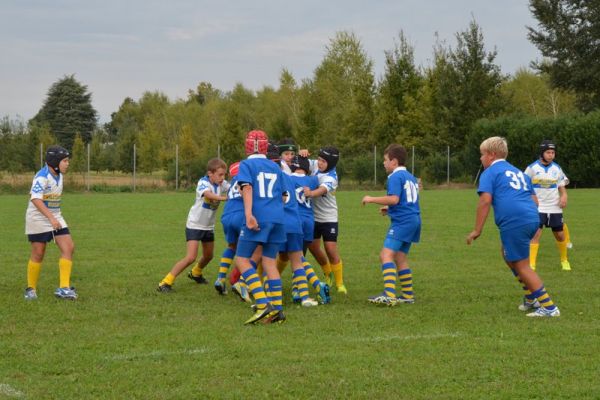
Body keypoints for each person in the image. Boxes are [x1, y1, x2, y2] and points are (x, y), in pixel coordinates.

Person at [466, 136, 560, 317]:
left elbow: (485, 201)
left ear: (491, 155)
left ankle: (549, 307)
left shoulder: (490, 173)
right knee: (507, 254)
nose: (480, 158)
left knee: (522, 264)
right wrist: (528, 218)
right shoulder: (518, 172)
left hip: (515, 221)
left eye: (482, 154)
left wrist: (477, 230)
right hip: (531, 217)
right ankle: (531, 297)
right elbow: (534, 199)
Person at [235, 130, 287, 324]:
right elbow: (283, 196)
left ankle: (263, 304)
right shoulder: (275, 167)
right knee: (269, 262)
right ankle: (278, 311)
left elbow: (247, 187)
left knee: (241, 260)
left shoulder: (246, 164)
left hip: (258, 217)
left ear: (247, 146)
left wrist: (249, 214)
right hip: (277, 218)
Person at [157, 158, 228, 292]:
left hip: (208, 226)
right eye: (220, 174)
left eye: (224, 174)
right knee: (190, 257)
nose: (222, 178)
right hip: (195, 224)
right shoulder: (203, 182)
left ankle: (195, 273)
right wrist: (224, 198)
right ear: (210, 173)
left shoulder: (221, 184)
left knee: (208, 256)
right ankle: (165, 282)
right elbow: (208, 194)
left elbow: (233, 188)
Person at [362, 144, 420, 305]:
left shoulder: (395, 177)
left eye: (385, 160)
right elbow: (405, 201)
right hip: (413, 219)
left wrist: (371, 199)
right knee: (400, 257)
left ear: (394, 161)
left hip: (403, 222)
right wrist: (389, 209)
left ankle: (389, 294)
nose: (384, 163)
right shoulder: (410, 176)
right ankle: (408, 295)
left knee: (385, 255)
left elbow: (394, 199)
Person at [24, 145, 77, 300]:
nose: (67, 164)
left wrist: (54, 217)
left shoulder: (59, 175)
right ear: (55, 161)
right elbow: (35, 198)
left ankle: (63, 288)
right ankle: (30, 289)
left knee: (68, 247)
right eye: (65, 161)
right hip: (38, 218)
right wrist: (51, 218)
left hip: (55, 216)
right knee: (38, 253)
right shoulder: (42, 176)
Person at [302, 146, 347, 294]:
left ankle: (340, 284)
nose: (319, 163)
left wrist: (310, 193)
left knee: (330, 249)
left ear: (332, 164)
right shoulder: (315, 164)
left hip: (328, 217)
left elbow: (321, 190)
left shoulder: (331, 177)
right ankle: (328, 274)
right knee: (313, 247)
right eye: (319, 159)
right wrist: (301, 154)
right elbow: (300, 164)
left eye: (323, 161)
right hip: (313, 217)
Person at [289, 155, 331, 304]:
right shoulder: (312, 180)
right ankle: (297, 289)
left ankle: (312, 286)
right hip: (308, 220)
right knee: (299, 255)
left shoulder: (287, 178)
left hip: (294, 220)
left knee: (296, 257)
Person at [524, 139, 571, 271]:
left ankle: (564, 260)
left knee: (560, 235)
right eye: (548, 152)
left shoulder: (557, 169)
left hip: (554, 207)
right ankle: (531, 264)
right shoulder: (532, 168)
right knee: (536, 234)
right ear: (542, 153)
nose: (551, 155)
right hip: (537, 207)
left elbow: (561, 185)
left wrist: (564, 196)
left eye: (553, 152)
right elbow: (524, 186)